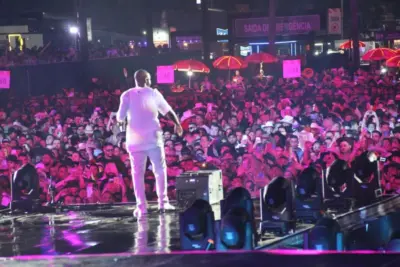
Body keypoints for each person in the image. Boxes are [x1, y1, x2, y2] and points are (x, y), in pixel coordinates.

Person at [116, 69, 183, 217]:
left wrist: (127, 117)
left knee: (137, 173)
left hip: (134, 141)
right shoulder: (154, 93)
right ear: (146, 80)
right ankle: (163, 203)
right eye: (150, 79)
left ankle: (141, 207)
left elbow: (120, 117)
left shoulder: (126, 95)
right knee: (159, 170)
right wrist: (178, 124)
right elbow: (168, 111)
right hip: (153, 139)